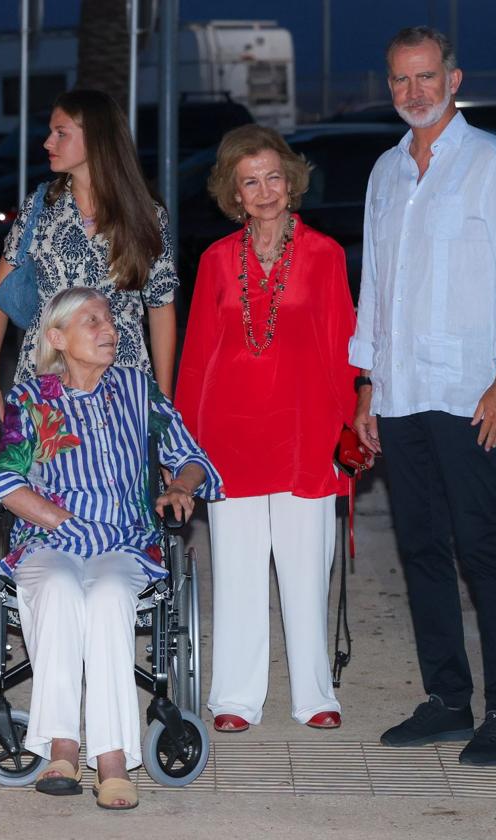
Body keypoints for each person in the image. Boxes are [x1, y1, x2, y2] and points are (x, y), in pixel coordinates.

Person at [350, 26, 496, 766]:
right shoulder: (385, 173)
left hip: (470, 392)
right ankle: (446, 700)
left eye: (425, 77)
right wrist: (368, 385)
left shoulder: (491, 165)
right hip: (401, 394)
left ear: (453, 79)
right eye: (400, 80)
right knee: (422, 548)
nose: (413, 93)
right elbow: (377, 289)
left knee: (482, 546)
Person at [0, 287, 221, 810]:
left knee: (111, 595)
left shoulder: (138, 391)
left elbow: (191, 456)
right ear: (57, 338)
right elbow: (5, 483)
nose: (109, 329)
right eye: (91, 321)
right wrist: (64, 521)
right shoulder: (30, 398)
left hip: (125, 540)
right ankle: (63, 745)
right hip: (51, 538)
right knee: (61, 588)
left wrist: (181, 485)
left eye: (109, 320)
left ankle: (112, 756)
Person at [175, 125, 357, 734]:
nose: (264, 190)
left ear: (292, 180)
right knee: (238, 570)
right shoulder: (213, 260)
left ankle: (314, 695)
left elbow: (343, 348)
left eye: (273, 176)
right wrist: (184, 448)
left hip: (307, 432)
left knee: (308, 569)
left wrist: (355, 421)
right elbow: (197, 354)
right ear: (233, 192)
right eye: (249, 181)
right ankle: (235, 696)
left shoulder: (327, 255)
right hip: (229, 437)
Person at [0, 89, 181, 434]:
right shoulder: (40, 207)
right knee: (46, 486)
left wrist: (163, 404)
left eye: (61, 133)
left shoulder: (146, 215)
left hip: (122, 379)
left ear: (96, 139)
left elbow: (161, 310)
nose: (47, 142)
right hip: (47, 378)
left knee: (120, 483)